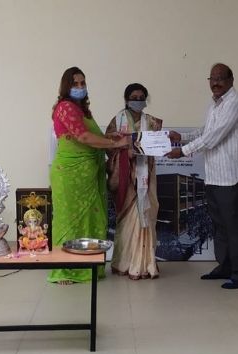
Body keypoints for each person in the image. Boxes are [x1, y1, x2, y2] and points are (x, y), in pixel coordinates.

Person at [166, 63, 238, 289]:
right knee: (220, 226)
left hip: (231, 176)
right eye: (212, 79)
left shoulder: (235, 103)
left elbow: (213, 137)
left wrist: (182, 151)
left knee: (234, 226)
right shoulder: (215, 104)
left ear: (231, 80)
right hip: (214, 175)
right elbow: (205, 131)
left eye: (220, 78)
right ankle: (225, 267)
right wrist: (181, 137)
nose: (215, 82)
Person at [49, 66, 130, 284]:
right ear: (66, 86)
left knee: (92, 219)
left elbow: (93, 136)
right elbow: (83, 138)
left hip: (89, 175)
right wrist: (116, 143)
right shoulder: (65, 107)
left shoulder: (82, 110)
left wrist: (111, 137)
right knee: (69, 221)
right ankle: (64, 271)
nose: (80, 87)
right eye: (75, 84)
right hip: (70, 174)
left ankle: (89, 267)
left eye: (82, 83)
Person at [105, 83, 163, 280]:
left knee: (146, 213)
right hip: (126, 178)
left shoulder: (152, 122)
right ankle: (125, 262)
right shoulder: (117, 121)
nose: (138, 101)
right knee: (128, 218)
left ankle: (145, 264)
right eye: (134, 97)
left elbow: (158, 145)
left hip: (146, 174)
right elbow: (108, 146)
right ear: (126, 99)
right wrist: (125, 154)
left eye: (141, 98)